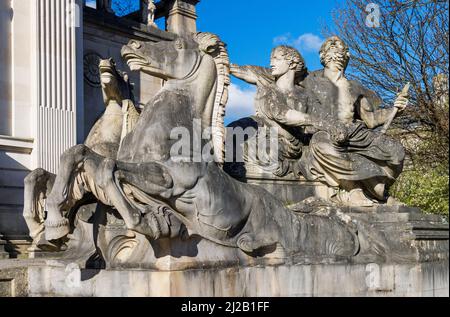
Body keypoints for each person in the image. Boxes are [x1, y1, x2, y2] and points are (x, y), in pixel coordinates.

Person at [299, 36, 409, 206]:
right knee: (322, 145)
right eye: (331, 48)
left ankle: (379, 191)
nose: (335, 49)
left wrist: (395, 110)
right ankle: (355, 190)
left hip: (357, 133)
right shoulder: (309, 80)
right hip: (326, 133)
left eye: (340, 48)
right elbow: (278, 78)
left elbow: (371, 119)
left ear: (347, 56)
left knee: (396, 151)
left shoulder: (355, 87)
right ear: (323, 56)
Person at [230, 46, 318, 177]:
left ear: (292, 63)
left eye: (276, 59)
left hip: (288, 141)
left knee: (263, 150)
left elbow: (296, 121)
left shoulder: (304, 95)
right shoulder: (267, 83)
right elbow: (242, 71)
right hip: (262, 128)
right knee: (232, 130)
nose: (271, 63)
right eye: (271, 59)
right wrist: (220, 61)